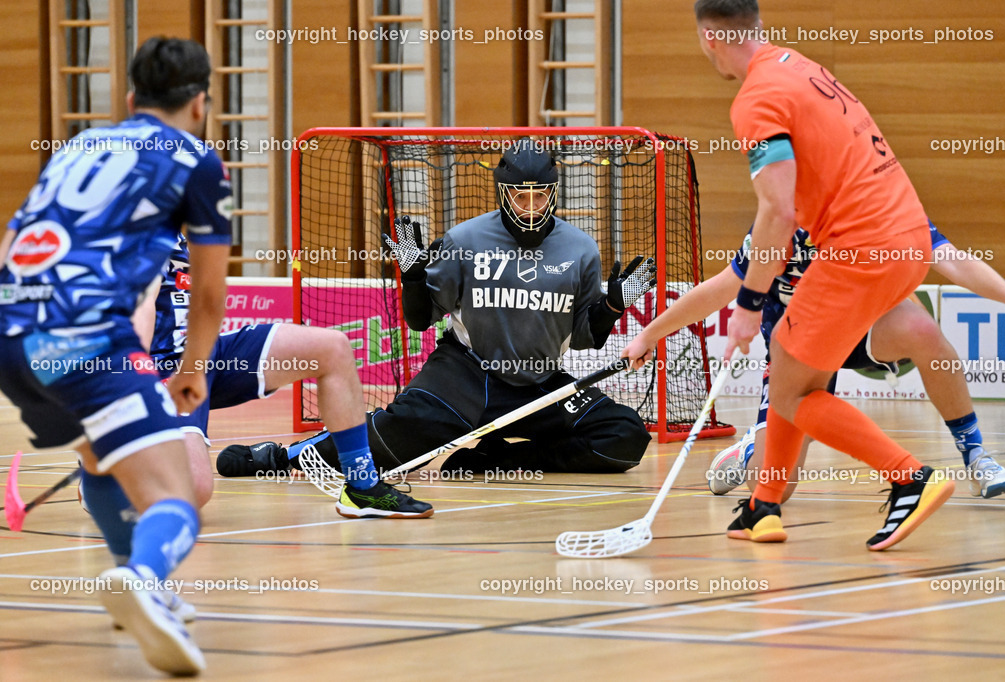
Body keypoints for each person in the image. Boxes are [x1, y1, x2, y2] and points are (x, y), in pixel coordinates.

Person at [692, 0, 954, 551]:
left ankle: (910, 477)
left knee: (789, 387)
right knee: (789, 373)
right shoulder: (802, 66)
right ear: (755, 24)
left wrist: (747, 305)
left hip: (859, 248)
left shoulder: (756, 99)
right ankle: (763, 508)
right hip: (907, 236)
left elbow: (778, 213)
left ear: (708, 38)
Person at [0, 37, 225, 675]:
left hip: (12, 332)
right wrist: (191, 371)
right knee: (177, 497)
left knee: (100, 456)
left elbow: (12, 243)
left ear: (130, 99)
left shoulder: (77, 145)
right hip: (88, 337)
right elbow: (208, 294)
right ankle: (144, 576)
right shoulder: (198, 160)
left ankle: (147, 584)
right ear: (200, 103)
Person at [235, 142, 655, 477]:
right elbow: (420, 320)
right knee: (389, 454)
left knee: (624, 436)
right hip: (464, 377)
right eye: (520, 195)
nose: (530, 206)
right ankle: (280, 458)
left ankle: (496, 462)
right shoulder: (465, 239)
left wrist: (613, 305)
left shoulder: (580, 249)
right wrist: (414, 277)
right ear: (503, 193)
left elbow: (585, 337)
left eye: (540, 195)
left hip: (539, 385)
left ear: (553, 193)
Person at [623, 221, 1005, 503]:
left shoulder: (879, 208)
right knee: (772, 483)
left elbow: (950, 260)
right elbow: (719, 290)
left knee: (924, 332)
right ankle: (752, 449)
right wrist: (649, 334)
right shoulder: (779, 227)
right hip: (799, 347)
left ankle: (976, 456)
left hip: (861, 326)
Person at [137, 230, 433, 520]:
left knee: (333, 349)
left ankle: (362, 486)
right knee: (194, 489)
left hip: (210, 354)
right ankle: (100, 467)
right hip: (164, 369)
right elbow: (140, 309)